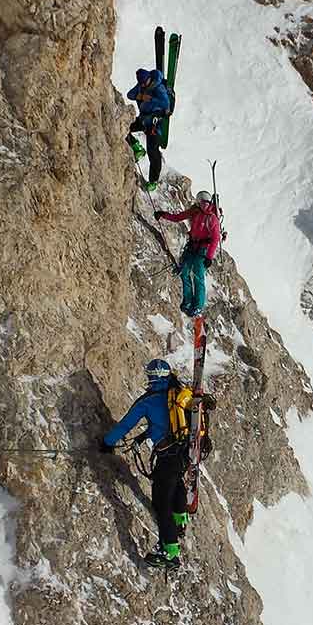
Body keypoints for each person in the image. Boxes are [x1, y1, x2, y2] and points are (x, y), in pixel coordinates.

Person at [100, 360, 214, 569]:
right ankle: (180, 521)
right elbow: (165, 423)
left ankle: (169, 552)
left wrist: (107, 443)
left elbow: (125, 425)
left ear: (151, 377)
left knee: (162, 503)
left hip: (167, 456)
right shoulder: (177, 394)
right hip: (184, 453)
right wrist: (143, 436)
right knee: (176, 483)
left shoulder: (149, 401)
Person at [155, 191, 222, 317]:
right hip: (193, 247)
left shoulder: (212, 218)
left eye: (206, 203)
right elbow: (178, 217)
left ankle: (198, 306)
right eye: (202, 202)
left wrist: (209, 257)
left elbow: (215, 239)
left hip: (203, 250)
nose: (204, 205)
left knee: (198, 276)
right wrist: (163, 214)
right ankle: (188, 302)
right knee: (185, 272)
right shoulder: (195, 212)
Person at [125, 67, 176, 192]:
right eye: (141, 83)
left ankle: (153, 181)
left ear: (149, 78)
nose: (142, 85)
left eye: (144, 82)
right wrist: (141, 96)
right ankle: (136, 147)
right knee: (123, 127)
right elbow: (130, 95)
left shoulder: (158, 88)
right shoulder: (142, 85)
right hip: (144, 119)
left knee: (153, 152)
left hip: (154, 124)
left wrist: (151, 100)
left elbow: (165, 104)